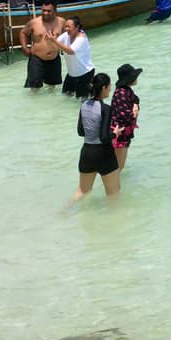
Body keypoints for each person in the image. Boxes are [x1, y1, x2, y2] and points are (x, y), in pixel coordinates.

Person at [72, 72, 120, 201]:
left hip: (86, 153)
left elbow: (81, 132)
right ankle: (114, 220)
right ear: (103, 87)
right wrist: (115, 133)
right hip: (103, 153)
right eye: (109, 86)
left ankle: (63, 212)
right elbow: (104, 137)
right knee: (113, 194)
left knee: (82, 191)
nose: (110, 88)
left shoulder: (84, 105)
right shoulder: (106, 109)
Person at [20, 0, 65, 93]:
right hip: (37, 59)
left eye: (49, 11)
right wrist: (24, 47)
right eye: (43, 10)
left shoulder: (61, 22)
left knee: (53, 87)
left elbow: (68, 35)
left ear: (55, 11)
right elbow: (23, 32)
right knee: (34, 89)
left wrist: (65, 48)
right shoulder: (34, 22)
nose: (45, 13)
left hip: (54, 59)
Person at [110, 63, 142, 170]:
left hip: (124, 134)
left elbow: (136, 99)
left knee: (118, 167)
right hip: (119, 134)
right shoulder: (121, 93)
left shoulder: (127, 90)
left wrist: (135, 106)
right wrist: (135, 112)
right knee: (118, 168)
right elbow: (125, 117)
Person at [55, 16, 95, 98]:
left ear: (77, 27)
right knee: (65, 96)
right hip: (71, 74)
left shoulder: (81, 38)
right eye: (65, 26)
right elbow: (57, 43)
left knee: (81, 100)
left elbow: (71, 51)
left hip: (85, 74)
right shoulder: (66, 35)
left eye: (69, 27)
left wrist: (54, 41)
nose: (66, 29)